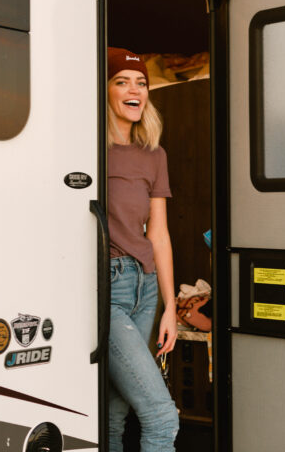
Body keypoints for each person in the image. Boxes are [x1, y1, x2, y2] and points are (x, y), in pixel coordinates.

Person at [106, 47, 179, 451]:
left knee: (116, 415)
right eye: (122, 82)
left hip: (146, 288)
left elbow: (160, 234)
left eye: (142, 83)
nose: (135, 90)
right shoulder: (90, 149)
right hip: (109, 288)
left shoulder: (154, 154)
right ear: (107, 91)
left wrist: (170, 306)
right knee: (161, 417)